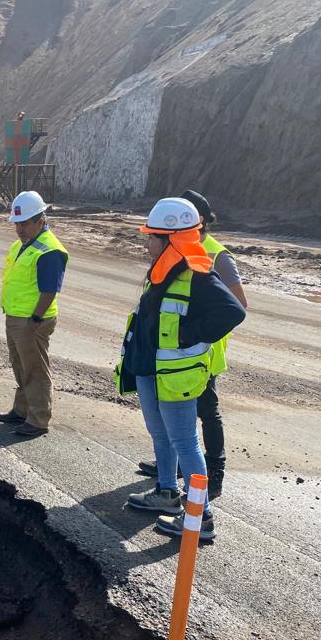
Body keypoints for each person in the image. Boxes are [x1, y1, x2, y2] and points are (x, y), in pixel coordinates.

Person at [116, 197, 245, 540]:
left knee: (185, 442)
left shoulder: (198, 274)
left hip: (174, 377)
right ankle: (167, 492)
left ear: (170, 239)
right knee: (161, 435)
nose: (146, 242)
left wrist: (190, 334)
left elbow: (234, 311)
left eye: (151, 237)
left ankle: (201, 516)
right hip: (150, 369)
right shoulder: (162, 269)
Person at [0, 191, 68, 437]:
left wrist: (35, 320)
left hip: (32, 320)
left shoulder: (50, 250)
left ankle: (37, 420)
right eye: (17, 224)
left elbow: (49, 291)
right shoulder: (22, 244)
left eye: (25, 223)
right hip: (16, 316)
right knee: (20, 365)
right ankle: (22, 409)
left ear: (41, 220)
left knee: (35, 368)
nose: (20, 229)